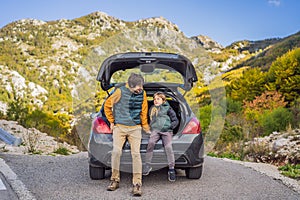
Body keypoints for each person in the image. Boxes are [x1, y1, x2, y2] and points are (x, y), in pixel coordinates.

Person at [104, 73, 150, 196]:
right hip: (120, 127)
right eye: (138, 87)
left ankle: (137, 184)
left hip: (135, 128)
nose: (140, 88)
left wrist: (145, 127)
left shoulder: (143, 93)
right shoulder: (119, 92)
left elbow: (143, 111)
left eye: (141, 86)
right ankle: (114, 180)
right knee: (116, 152)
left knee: (136, 154)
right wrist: (112, 121)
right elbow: (107, 106)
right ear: (130, 85)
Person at [143, 92, 179, 182]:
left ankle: (171, 168)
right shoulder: (152, 109)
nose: (155, 101)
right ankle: (147, 165)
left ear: (163, 100)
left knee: (168, 147)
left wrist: (170, 127)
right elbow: (148, 119)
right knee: (150, 143)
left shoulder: (168, 108)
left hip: (167, 131)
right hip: (156, 131)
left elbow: (175, 120)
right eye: (154, 99)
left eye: (158, 99)